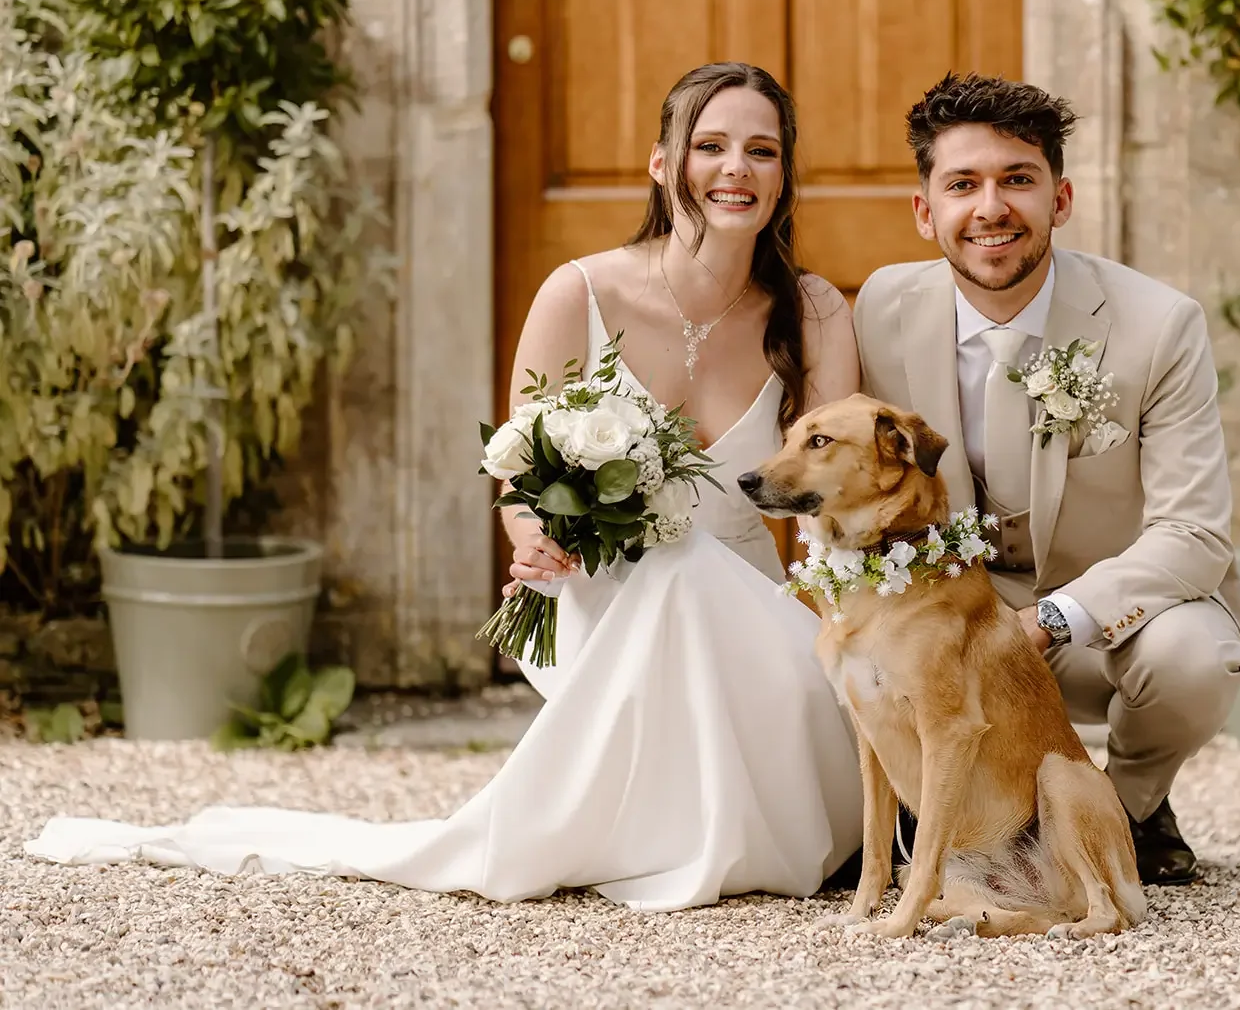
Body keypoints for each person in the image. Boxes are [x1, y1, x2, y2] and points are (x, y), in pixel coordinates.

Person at [25, 61, 865, 911]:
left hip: (753, 610)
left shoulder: (816, 310)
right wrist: (534, 537)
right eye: (711, 146)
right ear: (662, 164)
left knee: (690, 570)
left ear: (784, 174)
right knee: (670, 570)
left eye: (762, 151)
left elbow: (838, 502)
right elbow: (517, 468)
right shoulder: (581, 291)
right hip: (607, 595)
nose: (737, 169)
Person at [852, 72, 1240, 886]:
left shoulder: (1156, 324)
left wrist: (1050, 619)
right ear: (926, 211)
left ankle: (1125, 810)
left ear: (1060, 199)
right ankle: (937, 809)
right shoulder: (879, 310)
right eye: (963, 184)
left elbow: (1195, 531)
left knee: (1195, 656)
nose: (990, 208)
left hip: (1093, 625)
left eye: (1018, 181)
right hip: (943, 618)